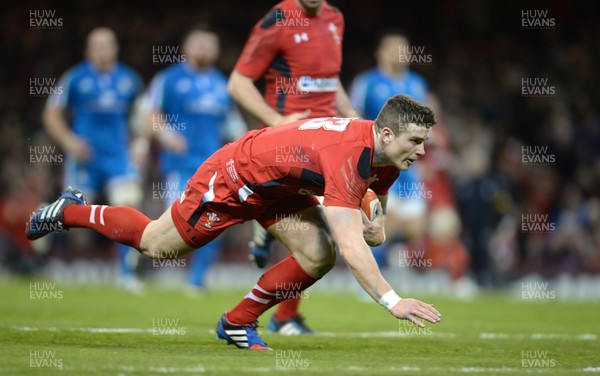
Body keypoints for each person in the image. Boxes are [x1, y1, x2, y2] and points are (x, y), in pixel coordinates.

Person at [26, 94, 442, 351]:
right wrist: (394, 301)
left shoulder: (387, 158)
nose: (421, 151)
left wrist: (378, 227)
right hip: (237, 175)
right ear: (386, 135)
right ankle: (69, 211)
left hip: (278, 188)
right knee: (156, 244)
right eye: (415, 141)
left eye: (423, 142)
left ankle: (238, 322)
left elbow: (374, 216)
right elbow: (354, 248)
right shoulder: (349, 155)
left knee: (317, 255)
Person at [228, 0, 359, 334]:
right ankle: (281, 315)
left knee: (319, 229)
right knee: (324, 226)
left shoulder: (335, 19)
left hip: (328, 140)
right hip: (290, 144)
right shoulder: (279, 18)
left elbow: (331, 81)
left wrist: (356, 122)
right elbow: (238, 82)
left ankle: (282, 310)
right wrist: (276, 121)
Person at [42, 27, 145, 293]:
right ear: (88, 50)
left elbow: (143, 116)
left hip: (118, 158)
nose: (103, 49)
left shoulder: (129, 80)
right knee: (75, 220)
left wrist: (140, 144)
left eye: (108, 44)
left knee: (127, 207)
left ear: (115, 48)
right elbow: (51, 113)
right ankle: (44, 216)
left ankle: (126, 273)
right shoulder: (75, 78)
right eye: (97, 45)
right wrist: (69, 142)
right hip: (85, 158)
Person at [146, 25, 246, 294]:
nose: (204, 49)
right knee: (176, 221)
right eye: (199, 44)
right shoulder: (168, 79)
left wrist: (242, 145)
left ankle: (196, 280)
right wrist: (167, 136)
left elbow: (232, 121)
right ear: (186, 48)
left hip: (215, 169)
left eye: (209, 44)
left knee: (213, 220)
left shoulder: (222, 84)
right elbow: (150, 115)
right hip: (180, 166)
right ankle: (144, 261)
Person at [350, 31, 430, 270]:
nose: (401, 54)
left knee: (415, 226)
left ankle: (382, 255)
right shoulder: (366, 83)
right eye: (395, 48)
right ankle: (371, 270)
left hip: (408, 168)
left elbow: (424, 125)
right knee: (385, 218)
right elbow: (351, 116)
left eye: (404, 49)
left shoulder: (417, 83)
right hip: (379, 162)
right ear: (381, 54)